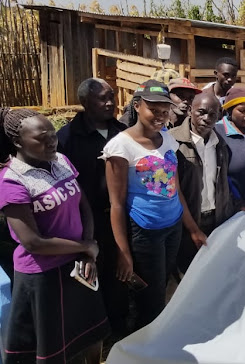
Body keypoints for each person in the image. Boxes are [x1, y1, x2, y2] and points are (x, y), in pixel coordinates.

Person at [1, 108, 110, 363]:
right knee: (54, 349)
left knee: (91, 333)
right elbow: (33, 242)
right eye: (41, 138)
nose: (51, 141)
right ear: (18, 142)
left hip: (78, 264)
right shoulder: (11, 182)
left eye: (53, 134)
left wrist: (87, 251)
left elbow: (83, 204)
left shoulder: (60, 160)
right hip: (43, 276)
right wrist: (84, 246)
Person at [102, 80, 205, 329]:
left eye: (164, 110)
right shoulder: (120, 146)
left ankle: (157, 338)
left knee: (161, 286)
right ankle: (142, 345)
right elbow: (116, 204)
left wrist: (192, 228)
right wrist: (123, 253)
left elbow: (175, 188)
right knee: (149, 295)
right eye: (153, 110)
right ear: (137, 106)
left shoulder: (168, 139)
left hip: (172, 227)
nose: (160, 116)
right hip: (145, 231)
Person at [56, 78, 129, 337]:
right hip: (87, 223)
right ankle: (93, 336)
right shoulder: (66, 139)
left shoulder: (123, 132)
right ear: (85, 103)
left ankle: (120, 331)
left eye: (112, 96)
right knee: (88, 279)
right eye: (102, 98)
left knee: (120, 277)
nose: (110, 103)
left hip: (122, 219)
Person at [169, 92, 236, 274]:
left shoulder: (220, 144)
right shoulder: (172, 141)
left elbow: (222, 183)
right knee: (186, 278)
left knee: (212, 276)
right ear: (191, 110)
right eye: (201, 112)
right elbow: (173, 191)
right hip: (186, 225)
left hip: (216, 221)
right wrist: (191, 228)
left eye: (212, 114)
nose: (206, 119)